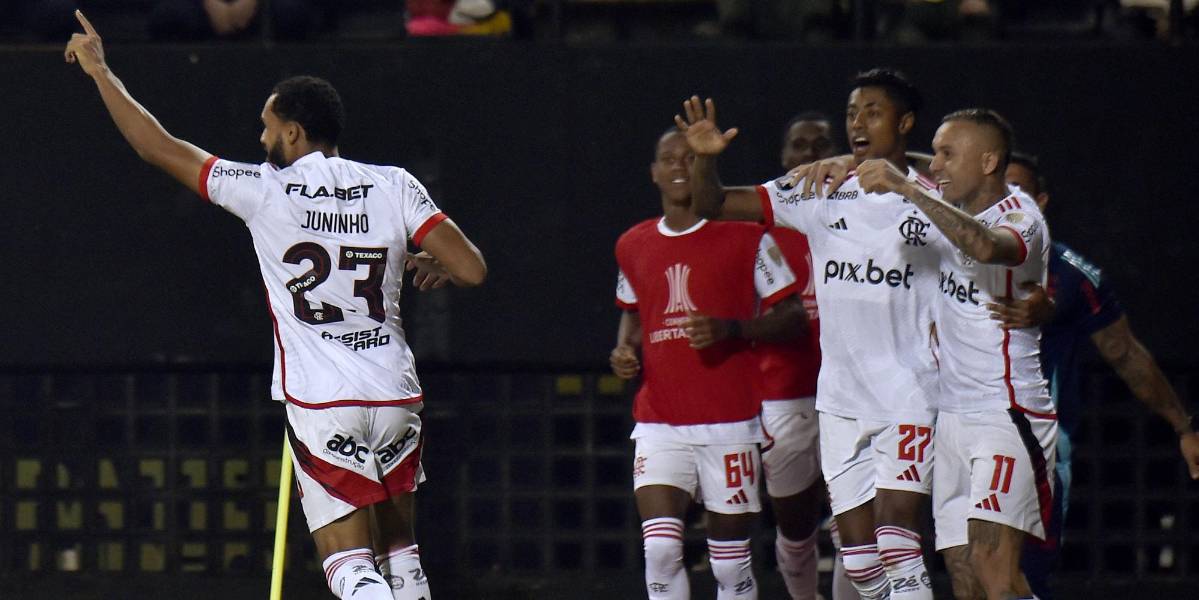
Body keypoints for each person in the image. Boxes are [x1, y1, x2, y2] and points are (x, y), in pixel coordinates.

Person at [65, 11, 486, 600]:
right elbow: (472, 269)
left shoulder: (264, 188)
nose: (261, 140)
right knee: (401, 554)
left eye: (267, 128)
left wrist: (101, 72)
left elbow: (155, 147)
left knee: (350, 567)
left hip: (322, 400)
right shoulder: (395, 184)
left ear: (292, 132)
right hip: (395, 391)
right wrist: (437, 265)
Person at [678, 67, 942, 600]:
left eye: (873, 112)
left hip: (910, 393)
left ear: (905, 122)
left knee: (897, 542)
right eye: (852, 113)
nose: (858, 123)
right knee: (861, 564)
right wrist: (705, 158)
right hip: (840, 401)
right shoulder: (821, 189)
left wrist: (890, 171)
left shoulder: (936, 195)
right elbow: (712, 205)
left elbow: (977, 193)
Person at [849, 108, 1052, 600]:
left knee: (992, 564)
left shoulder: (1022, 217)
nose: (935, 165)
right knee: (963, 573)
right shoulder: (949, 203)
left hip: (1007, 415)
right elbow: (919, 172)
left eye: (946, 154)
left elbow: (985, 246)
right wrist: (851, 162)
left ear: (988, 162)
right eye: (934, 152)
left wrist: (907, 188)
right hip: (953, 417)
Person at [610, 129, 808, 600]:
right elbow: (633, 316)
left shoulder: (749, 238)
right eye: (669, 159)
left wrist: (733, 329)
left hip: (730, 423)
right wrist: (623, 351)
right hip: (660, 421)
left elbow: (794, 317)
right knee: (660, 550)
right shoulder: (632, 244)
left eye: (690, 158)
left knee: (730, 563)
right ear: (654, 172)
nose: (679, 166)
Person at [992, 153, 1199, 599]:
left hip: (1036, 449)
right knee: (966, 571)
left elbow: (1124, 352)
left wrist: (1183, 427)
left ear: (1040, 202)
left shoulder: (1068, 273)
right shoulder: (951, 256)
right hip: (960, 437)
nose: (1006, 201)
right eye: (997, 189)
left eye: (1018, 190)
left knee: (1018, 579)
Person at [758, 111, 834, 600]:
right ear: (783, 156)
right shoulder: (759, 223)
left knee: (856, 530)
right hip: (784, 393)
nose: (808, 155)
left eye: (820, 146)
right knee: (795, 528)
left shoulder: (865, 215)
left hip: (851, 393)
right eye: (798, 145)